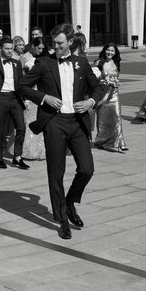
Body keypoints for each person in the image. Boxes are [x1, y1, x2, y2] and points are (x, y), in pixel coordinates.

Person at [17, 23, 106, 240]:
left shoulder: (81, 63)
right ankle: (62, 219)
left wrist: (91, 102)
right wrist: (44, 98)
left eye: (60, 43)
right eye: (53, 43)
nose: (55, 47)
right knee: (56, 173)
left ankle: (70, 201)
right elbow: (22, 86)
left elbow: (99, 87)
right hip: (54, 123)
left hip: (77, 122)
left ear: (70, 42)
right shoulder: (43, 63)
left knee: (87, 169)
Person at [0, 37, 28, 170]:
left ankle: (17, 157)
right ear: (0, 49)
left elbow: (21, 82)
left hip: (15, 98)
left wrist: (25, 99)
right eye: (6, 49)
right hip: (0, 98)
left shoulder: (16, 63)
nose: (9, 51)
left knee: (21, 127)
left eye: (11, 49)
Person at [91, 44, 127, 152]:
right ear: (104, 50)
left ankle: (120, 142)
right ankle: (101, 141)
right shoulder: (98, 62)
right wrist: (102, 77)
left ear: (115, 52)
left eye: (112, 50)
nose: (110, 52)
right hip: (103, 93)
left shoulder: (116, 62)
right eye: (108, 50)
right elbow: (93, 77)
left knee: (117, 116)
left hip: (114, 93)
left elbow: (117, 76)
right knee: (102, 119)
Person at [19, 37, 46, 161]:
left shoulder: (43, 58)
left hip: (41, 91)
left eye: (42, 48)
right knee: (29, 120)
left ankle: (40, 150)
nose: (40, 50)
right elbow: (21, 78)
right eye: (38, 48)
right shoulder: (24, 58)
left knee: (40, 119)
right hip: (30, 92)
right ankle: (28, 151)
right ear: (33, 46)